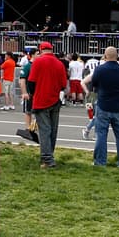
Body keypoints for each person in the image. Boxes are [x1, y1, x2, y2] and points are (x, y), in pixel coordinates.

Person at [27, 41, 68, 169]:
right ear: (51, 50)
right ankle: (49, 154)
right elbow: (63, 85)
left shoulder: (38, 62)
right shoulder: (59, 64)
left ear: (41, 50)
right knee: (53, 130)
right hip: (55, 100)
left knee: (44, 130)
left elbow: (31, 82)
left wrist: (33, 94)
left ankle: (47, 159)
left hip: (41, 100)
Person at [88, 46, 119, 167]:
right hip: (118, 105)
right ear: (117, 56)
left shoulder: (100, 69)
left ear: (105, 56)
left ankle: (100, 161)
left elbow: (94, 84)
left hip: (104, 104)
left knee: (101, 135)